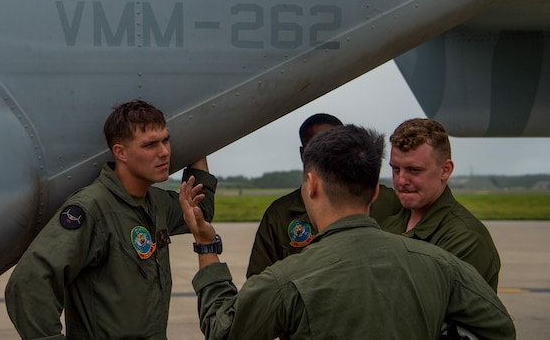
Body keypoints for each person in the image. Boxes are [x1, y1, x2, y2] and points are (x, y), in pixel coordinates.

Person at [179, 125, 515, 340]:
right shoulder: (440, 264)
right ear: (374, 192)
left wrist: (206, 246)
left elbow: (221, 329)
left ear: (311, 185)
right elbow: (498, 327)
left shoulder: (288, 279)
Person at [4, 99, 217, 339]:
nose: (164, 152)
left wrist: (201, 139)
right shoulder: (92, 209)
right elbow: (27, 284)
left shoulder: (156, 203)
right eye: (150, 145)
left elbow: (202, 210)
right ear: (120, 152)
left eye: (166, 140)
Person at [246, 113, 402, 277]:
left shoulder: (390, 201)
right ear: (303, 154)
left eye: (336, 145)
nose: (325, 153)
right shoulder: (279, 214)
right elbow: (259, 282)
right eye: (314, 146)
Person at [381, 118, 501, 291]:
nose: (401, 181)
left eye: (414, 170)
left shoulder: (466, 239)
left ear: (445, 170)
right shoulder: (391, 224)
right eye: (396, 169)